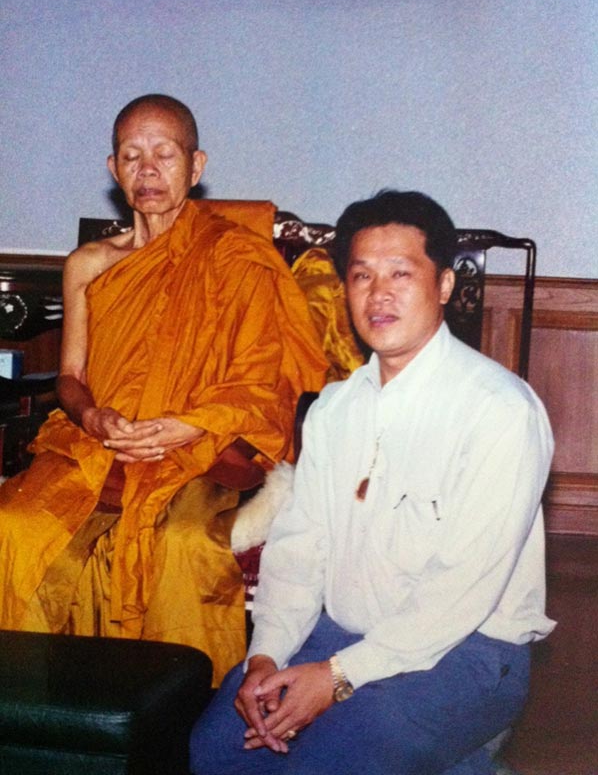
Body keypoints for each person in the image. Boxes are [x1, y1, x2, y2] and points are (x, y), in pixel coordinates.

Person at [189, 190, 555, 774]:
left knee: (329, 760)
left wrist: (337, 678)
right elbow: (299, 552)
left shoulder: (498, 410)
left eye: (400, 274)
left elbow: (460, 591)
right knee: (217, 749)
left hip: (469, 651)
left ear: (444, 285)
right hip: (338, 635)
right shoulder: (334, 409)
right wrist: (266, 656)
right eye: (361, 276)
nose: (378, 294)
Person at [0, 94, 328, 685]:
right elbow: (70, 377)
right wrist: (93, 417)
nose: (147, 170)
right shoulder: (90, 264)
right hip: (98, 443)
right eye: (132, 156)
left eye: (164, 155)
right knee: (15, 524)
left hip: (204, 448)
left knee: (182, 542)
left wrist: (190, 425)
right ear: (113, 169)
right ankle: (35, 703)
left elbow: (260, 380)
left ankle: (186, 711)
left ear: (195, 167)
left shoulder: (237, 257)